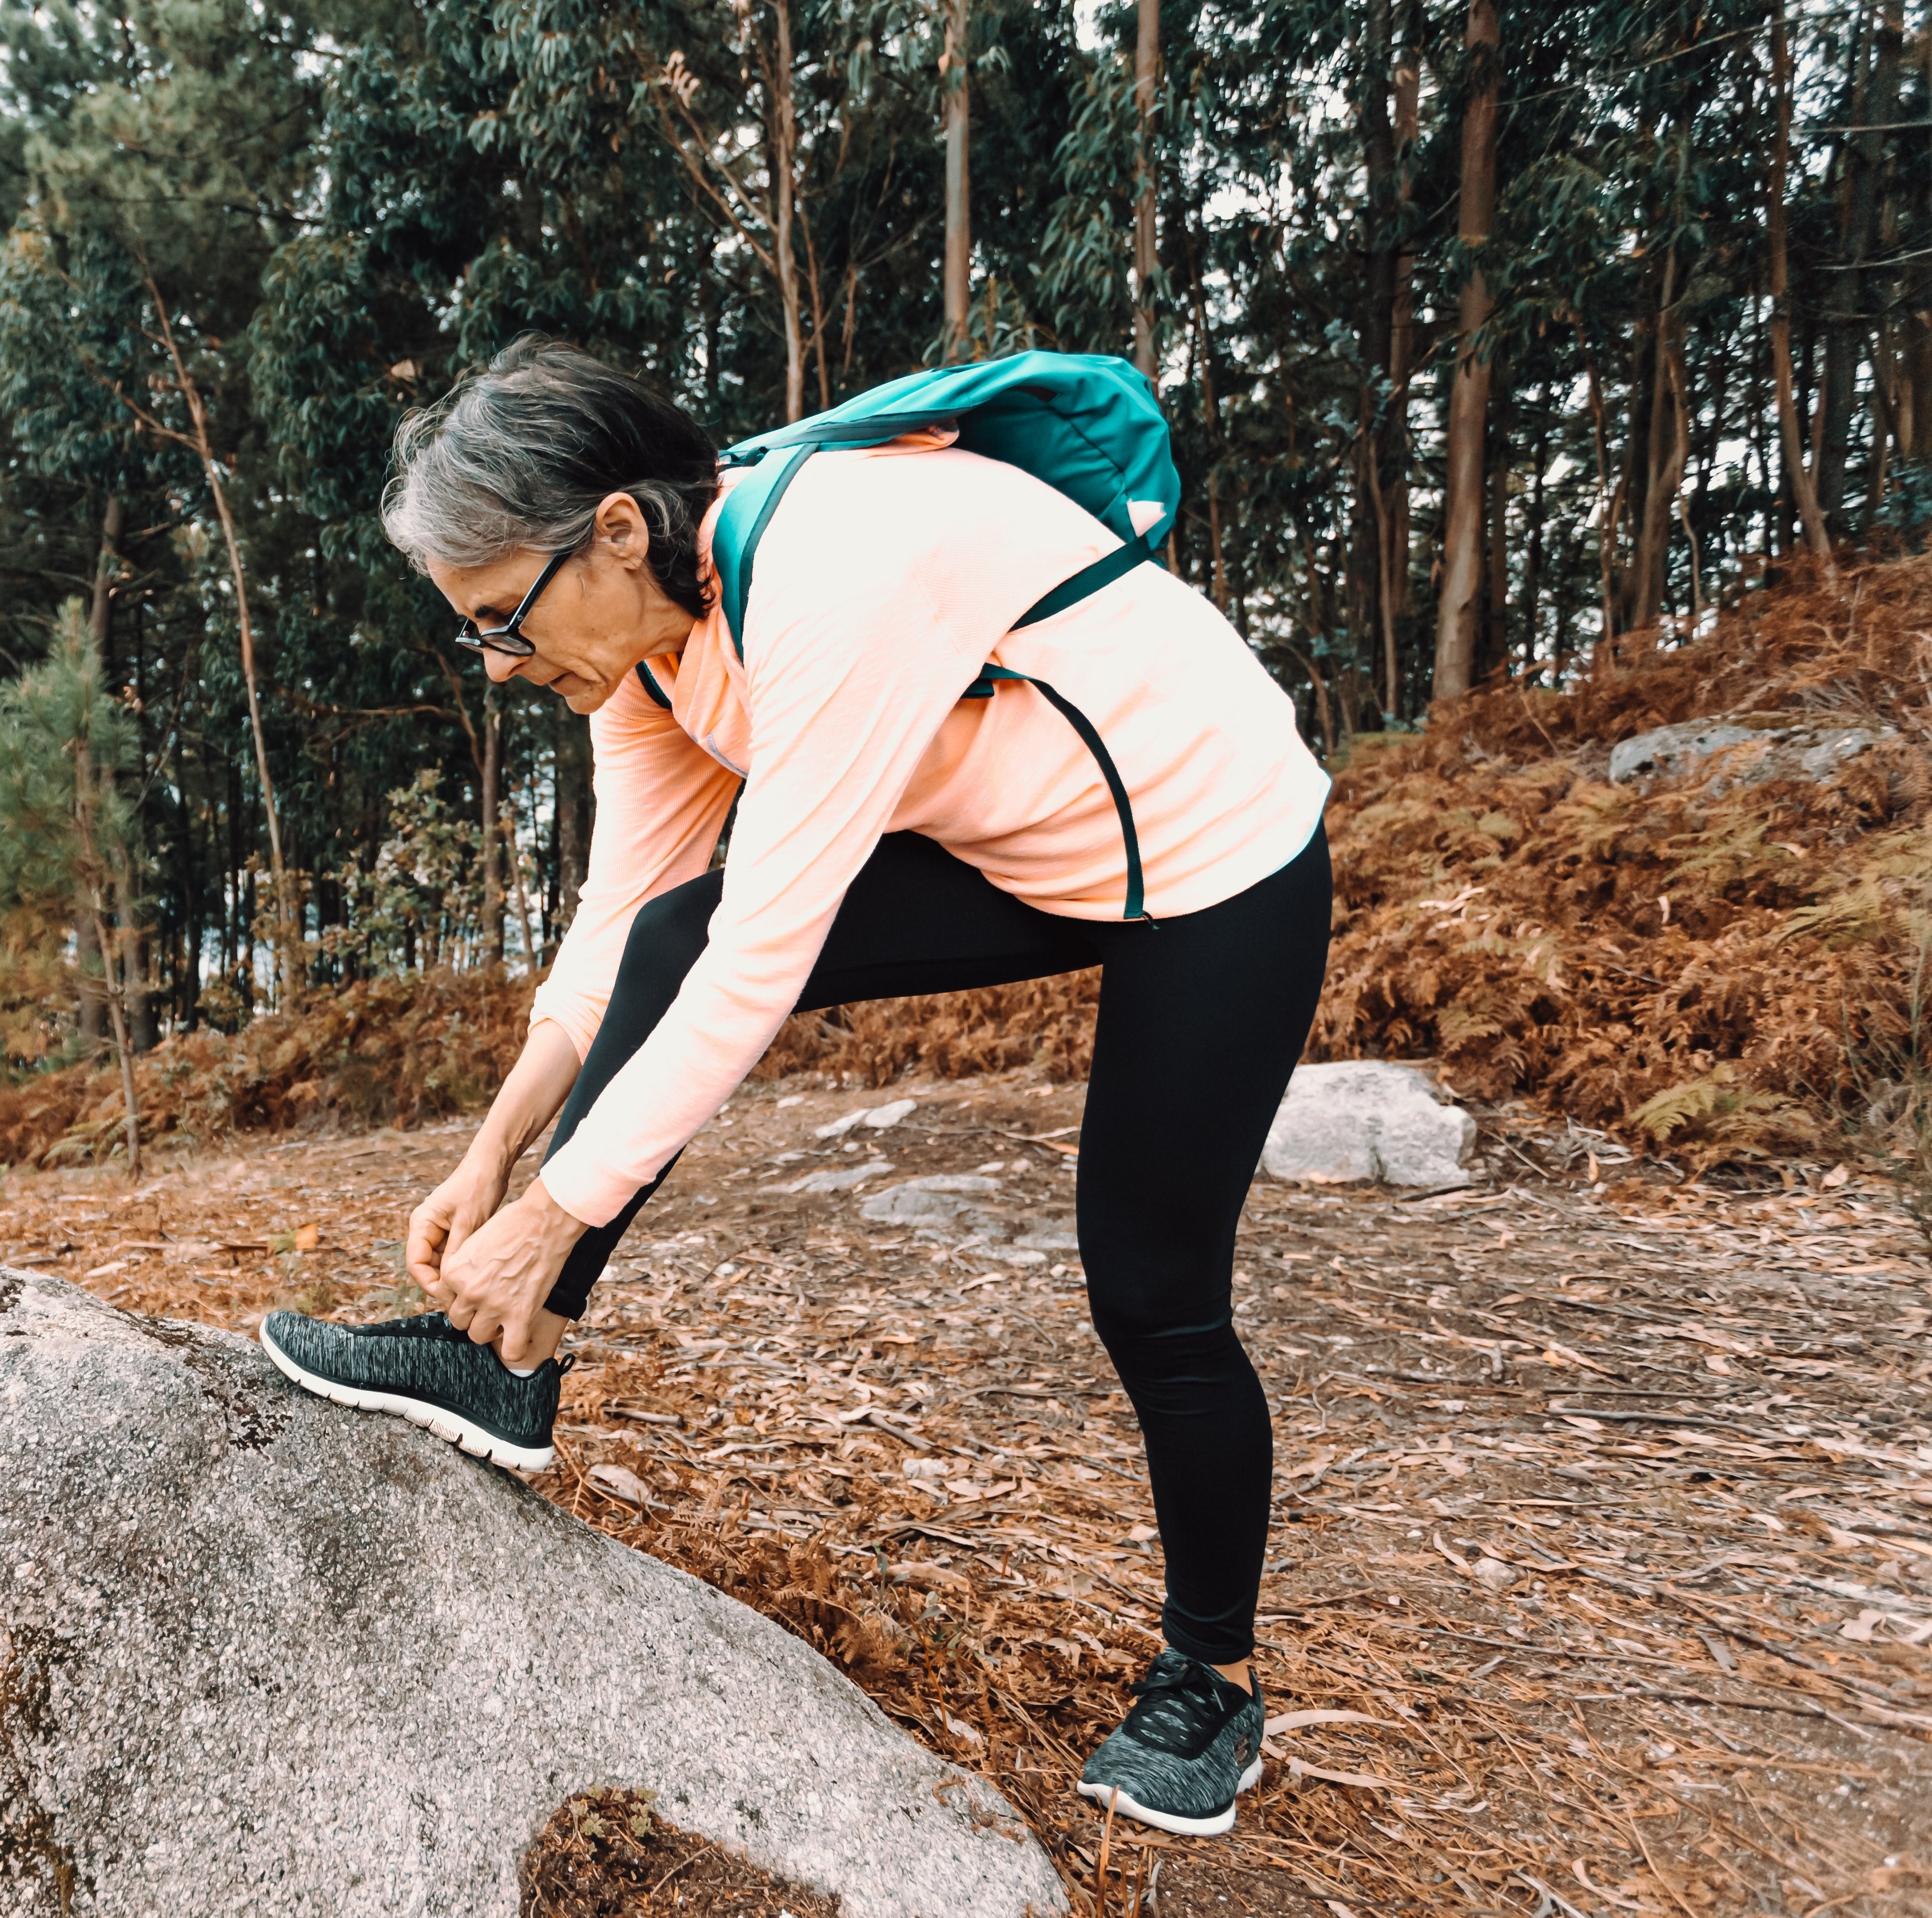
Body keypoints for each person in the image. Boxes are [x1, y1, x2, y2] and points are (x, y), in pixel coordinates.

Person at [256, 339, 1333, 1840]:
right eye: (474, 637)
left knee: (1151, 1286)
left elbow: (758, 969)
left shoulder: (832, 562)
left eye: (502, 620)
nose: (500, 667)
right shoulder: (639, 649)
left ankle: (1212, 1682)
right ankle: (510, 1357)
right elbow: (628, 922)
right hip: (1020, 850)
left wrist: (562, 1208)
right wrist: (496, 1159)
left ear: (616, 534)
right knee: (665, 934)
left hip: (1217, 851)